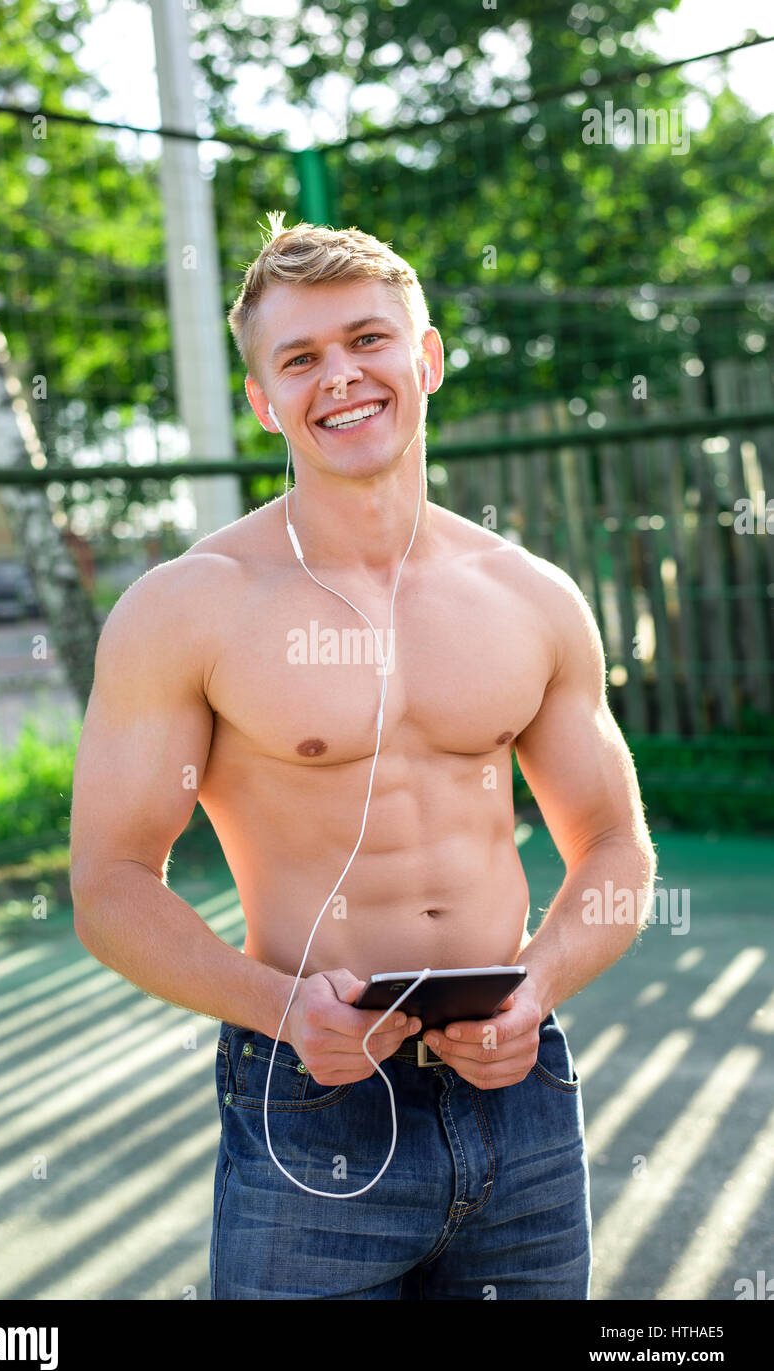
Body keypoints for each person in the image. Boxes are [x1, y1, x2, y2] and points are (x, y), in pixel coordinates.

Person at [70, 213, 657, 1300]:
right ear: (262, 401)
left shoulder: (530, 596)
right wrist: (281, 1009)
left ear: (425, 357)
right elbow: (108, 885)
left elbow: (615, 844)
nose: (340, 376)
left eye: (367, 339)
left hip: (519, 1093)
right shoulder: (187, 608)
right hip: (310, 1101)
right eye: (300, 358)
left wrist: (538, 987)